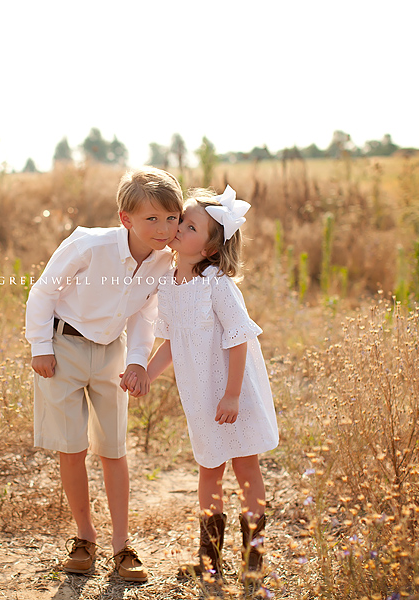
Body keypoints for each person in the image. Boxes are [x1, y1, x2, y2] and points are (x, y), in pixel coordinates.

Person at [25, 167, 183, 582]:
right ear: (125, 218)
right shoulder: (89, 245)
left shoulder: (164, 261)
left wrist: (136, 361)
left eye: (171, 218)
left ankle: (121, 546)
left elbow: (146, 315)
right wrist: (41, 347)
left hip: (111, 353)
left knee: (113, 448)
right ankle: (85, 538)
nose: (163, 228)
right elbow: (43, 291)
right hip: (63, 349)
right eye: (151, 218)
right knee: (72, 447)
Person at [138, 185, 279, 580]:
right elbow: (171, 340)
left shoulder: (218, 285)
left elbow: (239, 340)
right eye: (181, 219)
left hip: (232, 392)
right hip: (200, 394)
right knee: (208, 468)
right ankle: (210, 560)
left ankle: (254, 560)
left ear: (211, 249)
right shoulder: (168, 281)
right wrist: (146, 373)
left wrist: (232, 394)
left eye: (190, 225)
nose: (179, 227)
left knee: (245, 467)